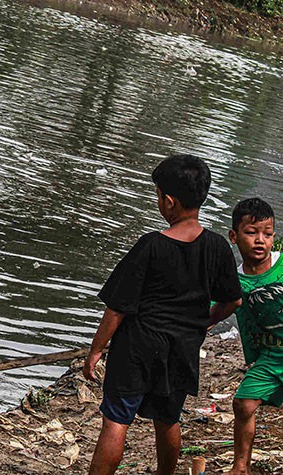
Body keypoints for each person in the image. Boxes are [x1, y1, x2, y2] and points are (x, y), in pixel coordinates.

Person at [82, 154, 242, 475]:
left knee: (116, 421)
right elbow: (232, 302)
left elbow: (117, 307)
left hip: (136, 347)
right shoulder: (218, 248)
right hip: (181, 350)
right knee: (168, 419)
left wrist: (96, 350)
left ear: (169, 201)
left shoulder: (150, 246)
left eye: (157, 195)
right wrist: (203, 322)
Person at [216, 198, 282, 475]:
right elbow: (212, 311)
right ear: (233, 236)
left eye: (267, 234)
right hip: (270, 356)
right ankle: (240, 467)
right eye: (251, 232)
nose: (260, 240)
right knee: (243, 403)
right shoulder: (234, 280)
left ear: (274, 238)